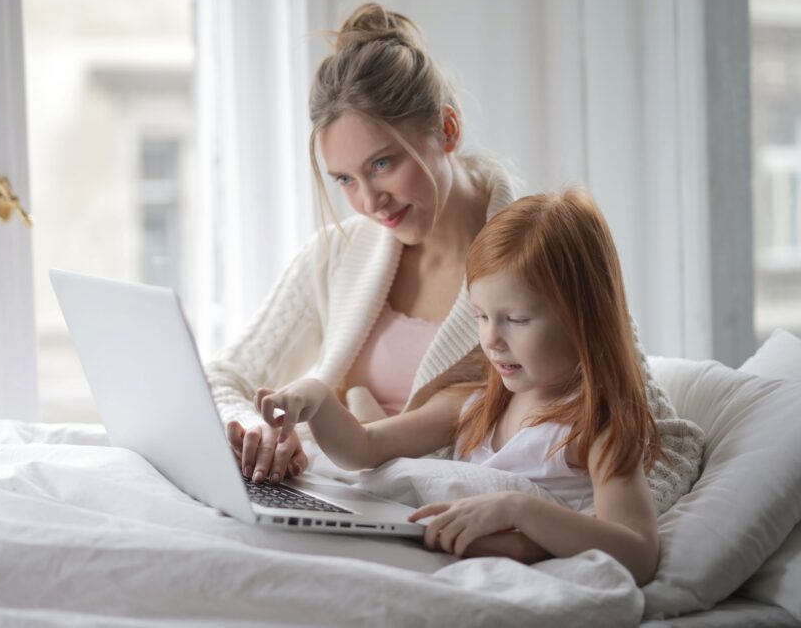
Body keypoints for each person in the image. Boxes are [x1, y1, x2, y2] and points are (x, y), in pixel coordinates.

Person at [206, 3, 703, 552]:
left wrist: (549, 531)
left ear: (447, 129)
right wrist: (255, 436)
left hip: (437, 525)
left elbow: (655, 434)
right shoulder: (336, 255)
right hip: (343, 494)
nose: (368, 202)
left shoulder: (540, 257)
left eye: (382, 164)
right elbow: (227, 380)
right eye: (344, 179)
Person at [255, 190, 662, 584]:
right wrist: (318, 398)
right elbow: (363, 448)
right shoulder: (476, 403)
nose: (491, 340)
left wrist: (519, 510)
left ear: (584, 319)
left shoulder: (594, 426)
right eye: (481, 316)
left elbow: (638, 552)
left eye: (516, 319)